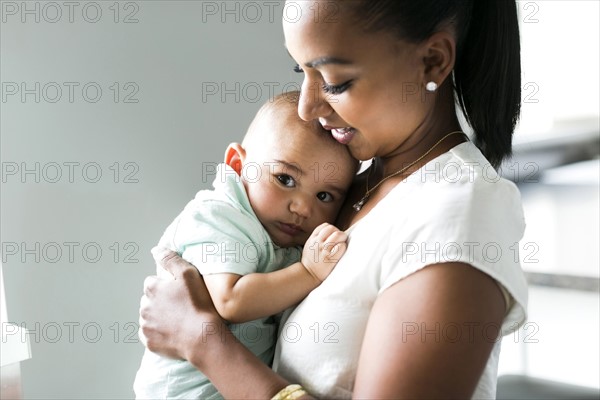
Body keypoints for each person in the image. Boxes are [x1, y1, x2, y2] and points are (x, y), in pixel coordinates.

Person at [138, 1, 529, 398]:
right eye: (301, 71)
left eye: (335, 81)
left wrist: (202, 341)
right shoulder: (345, 190)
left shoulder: (459, 213)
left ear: (431, 61)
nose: (307, 108)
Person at [134, 91, 358, 399]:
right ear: (238, 165)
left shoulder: (285, 234)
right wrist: (308, 272)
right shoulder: (220, 216)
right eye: (286, 179)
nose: (303, 208)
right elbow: (231, 301)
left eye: (324, 196)